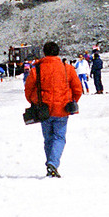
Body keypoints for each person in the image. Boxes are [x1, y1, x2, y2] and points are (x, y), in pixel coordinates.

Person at [24, 41, 83, 178]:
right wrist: (71, 101)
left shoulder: (36, 69)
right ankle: (53, 164)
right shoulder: (66, 68)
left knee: (48, 139)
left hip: (43, 110)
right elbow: (78, 89)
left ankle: (51, 164)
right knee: (59, 138)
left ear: (44, 53)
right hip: (62, 109)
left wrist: (35, 101)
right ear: (57, 52)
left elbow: (28, 90)